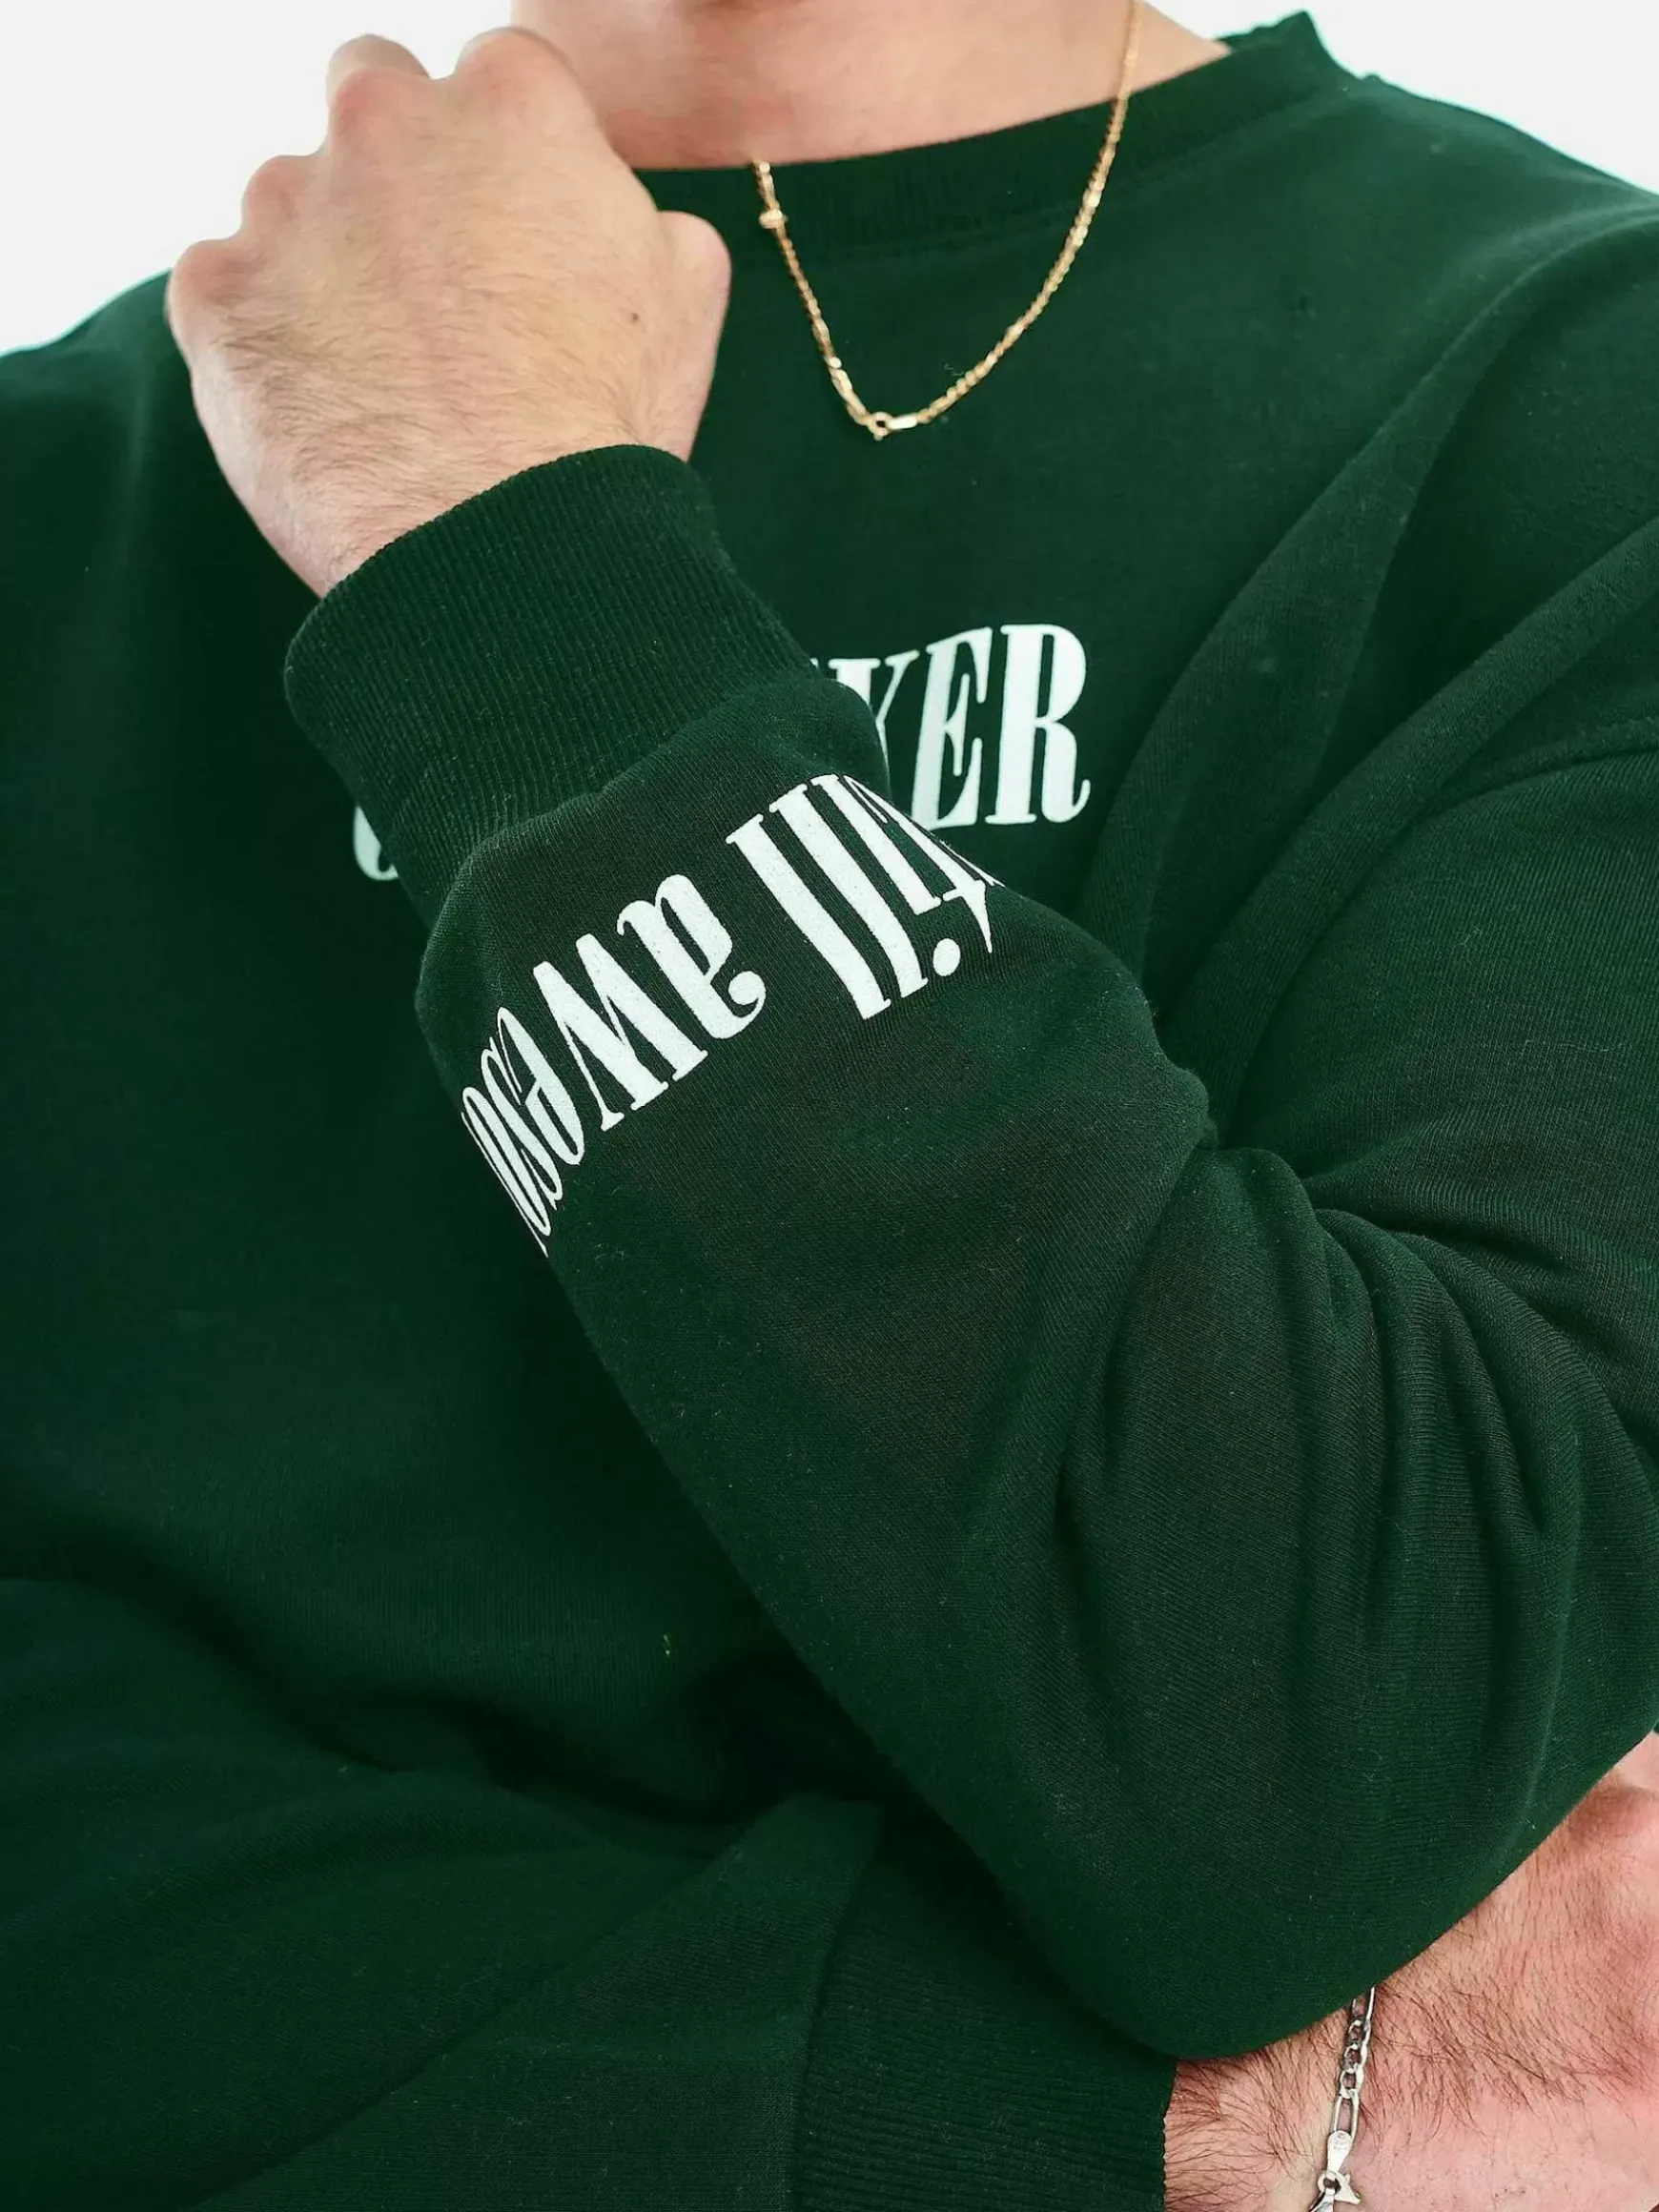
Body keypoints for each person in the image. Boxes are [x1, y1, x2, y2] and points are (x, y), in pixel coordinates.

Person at [5, 1, 1659, 2203]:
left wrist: (508, 564)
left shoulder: (1581, 406)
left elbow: (1299, 1744)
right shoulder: (48, 523)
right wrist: (1140, 2119)